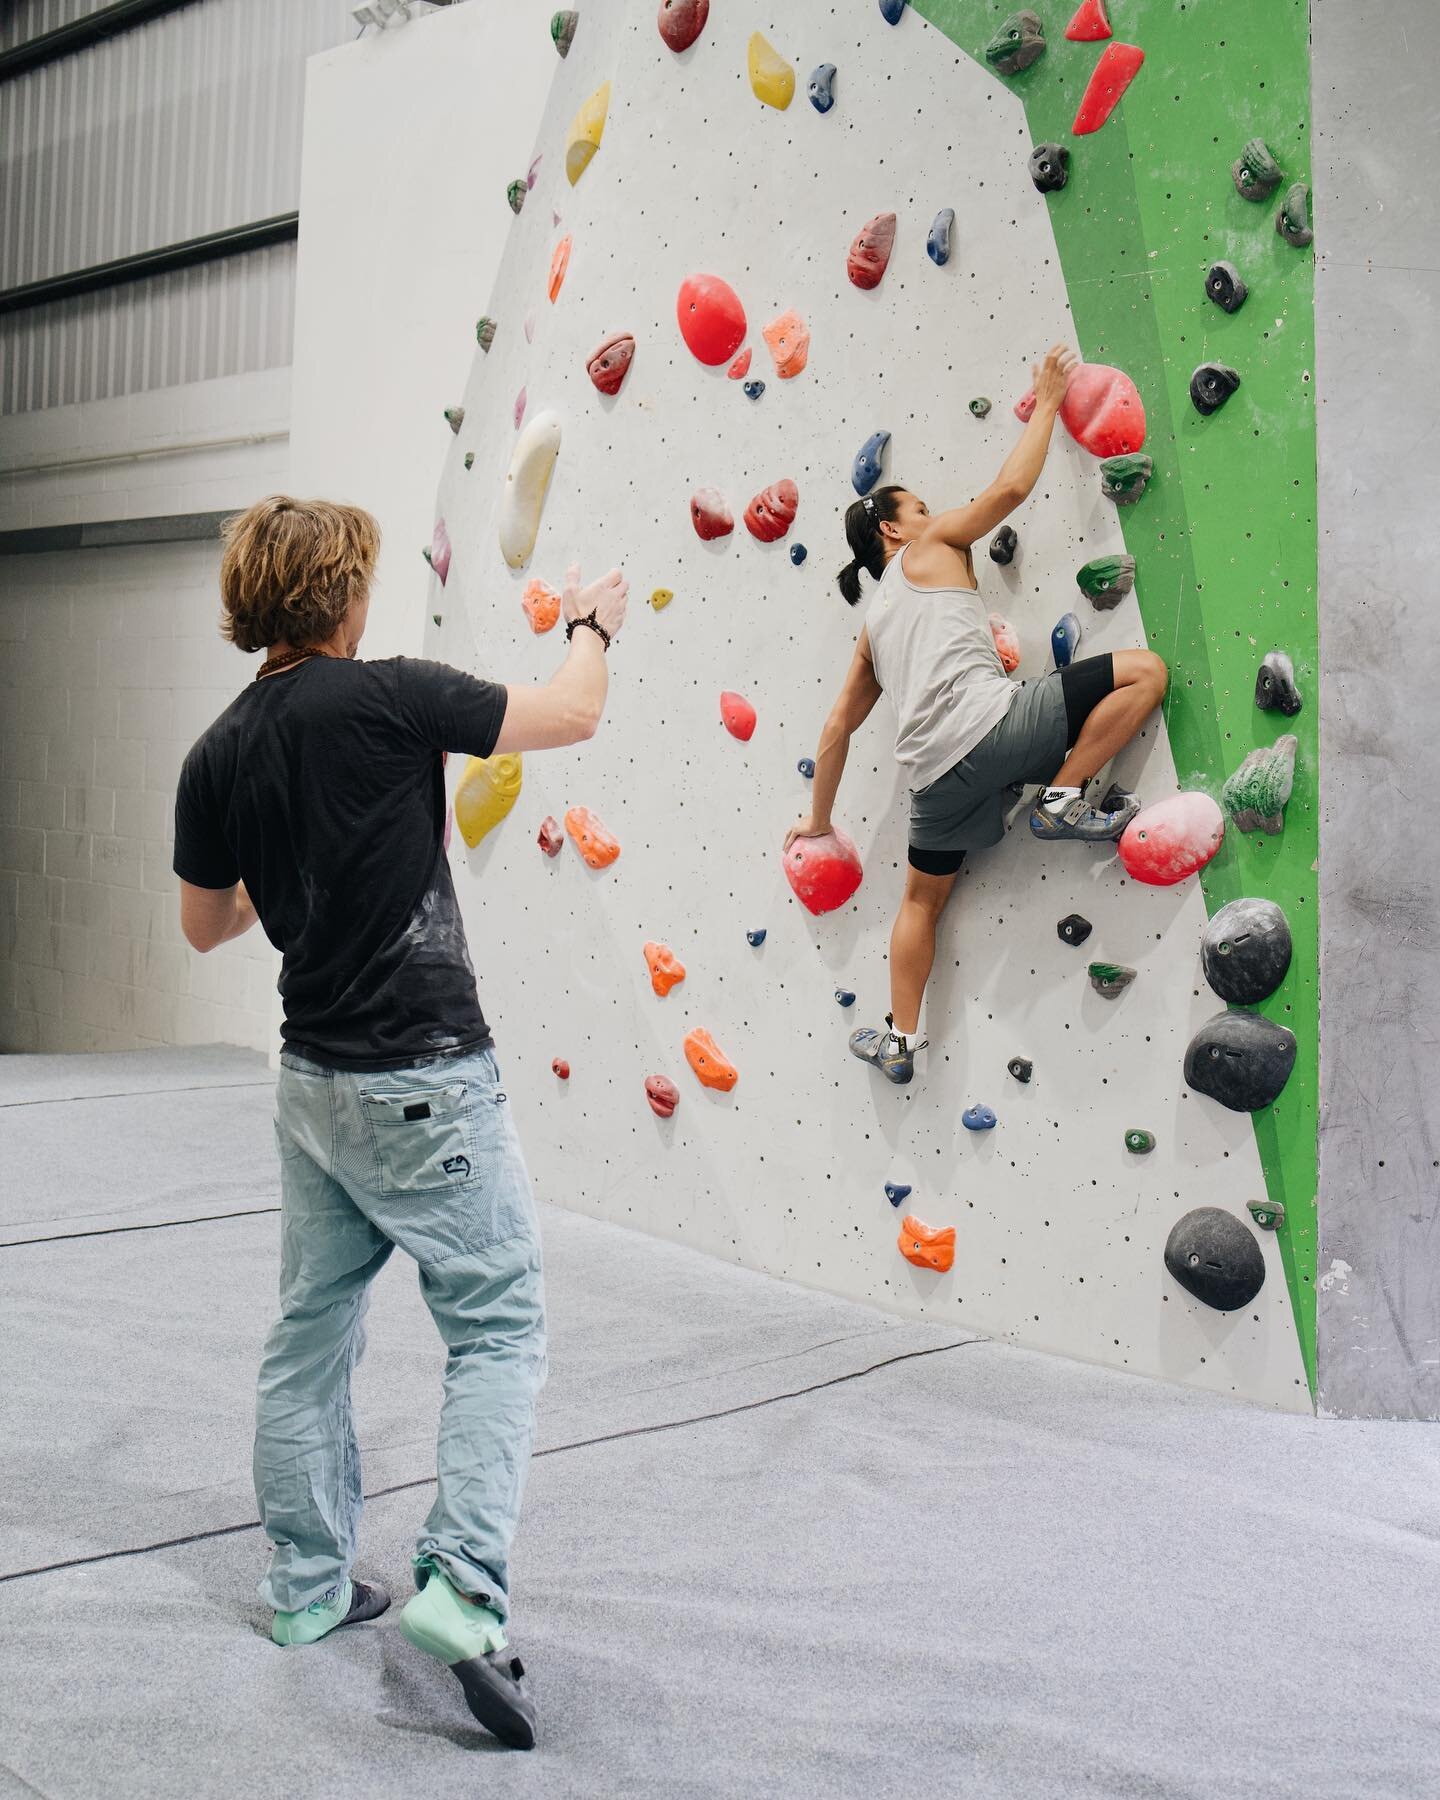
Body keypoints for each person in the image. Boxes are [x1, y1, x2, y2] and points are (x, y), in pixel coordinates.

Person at [171, 494, 628, 1748]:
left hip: (311, 1086)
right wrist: (593, 623)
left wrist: (299, 858)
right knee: (499, 1325)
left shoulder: (216, 751)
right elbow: (574, 712)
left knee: (309, 1335)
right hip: (428, 1079)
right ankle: (464, 1589)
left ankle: (309, 1591)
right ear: (345, 596)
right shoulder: (392, 696)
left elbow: (207, 925)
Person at [783, 345, 1167, 1087]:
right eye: (921, 508)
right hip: (993, 726)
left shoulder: (872, 628)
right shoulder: (929, 543)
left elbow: (836, 730)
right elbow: (1010, 487)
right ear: (896, 531)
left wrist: (818, 822)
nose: (934, 514)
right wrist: (1051, 399)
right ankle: (1061, 797)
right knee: (1145, 673)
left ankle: (899, 1040)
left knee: (921, 900)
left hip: (934, 784)